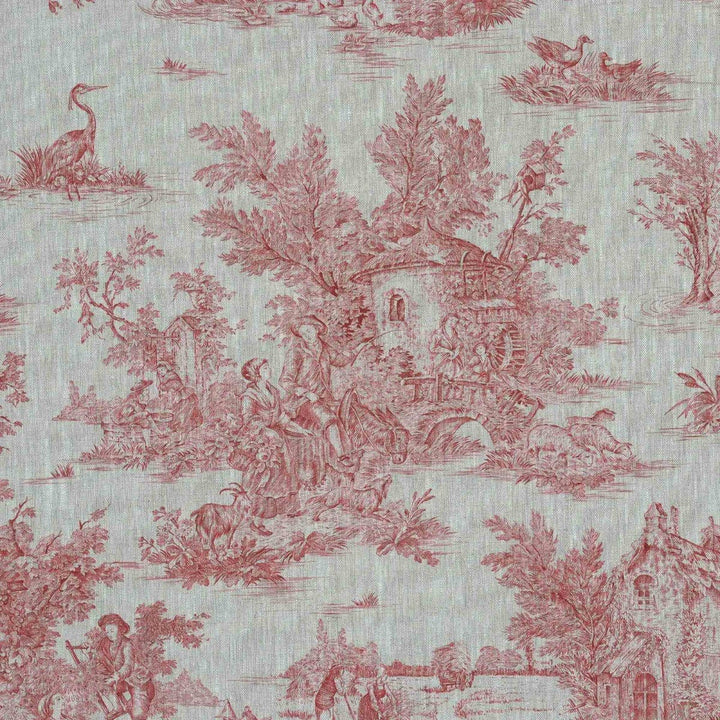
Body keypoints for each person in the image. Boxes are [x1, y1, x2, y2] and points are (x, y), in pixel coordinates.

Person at [279, 316, 354, 474]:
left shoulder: (324, 348)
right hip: (301, 401)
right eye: (302, 332)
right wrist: (306, 392)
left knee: (349, 414)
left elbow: (340, 360)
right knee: (330, 420)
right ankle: (342, 456)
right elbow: (285, 381)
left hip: (325, 398)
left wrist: (352, 352)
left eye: (308, 330)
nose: (306, 334)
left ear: (317, 329)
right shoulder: (296, 352)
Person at [96, 613, 155, 720]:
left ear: (120, 629)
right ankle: (117, 707)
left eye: (112, 630)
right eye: (107, 631)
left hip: (137, 681)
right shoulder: (104, 643)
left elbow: (128, 666)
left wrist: (116, 677)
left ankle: (132, 703)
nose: (109, 634)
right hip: (121, 682)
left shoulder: (127, 644)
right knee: (99, 683)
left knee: (138, 715)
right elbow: (98, 656)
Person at [148, 363, 203, 437]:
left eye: (162, 370)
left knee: (182, 416)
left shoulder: (171, 376)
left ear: (167, 368)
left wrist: (166, 391)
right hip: (178, 398)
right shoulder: (165, 378)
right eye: (159, 371)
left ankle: (180, 435)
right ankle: (179, 435)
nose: (161, 372)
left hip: (183, 398)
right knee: (179, 416)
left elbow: (173, 387)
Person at [430, 314, 465, 379]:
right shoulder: (438, 334)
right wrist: (447, 351)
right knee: (440, 378)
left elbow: (460, 344)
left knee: (455, 379)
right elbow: (432, 348)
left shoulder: (456, 334)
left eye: (454, 321)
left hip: (454, 360)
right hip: (441, 360)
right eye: (451, 320)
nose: (452, 322)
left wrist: (456, 351)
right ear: (446, 320)